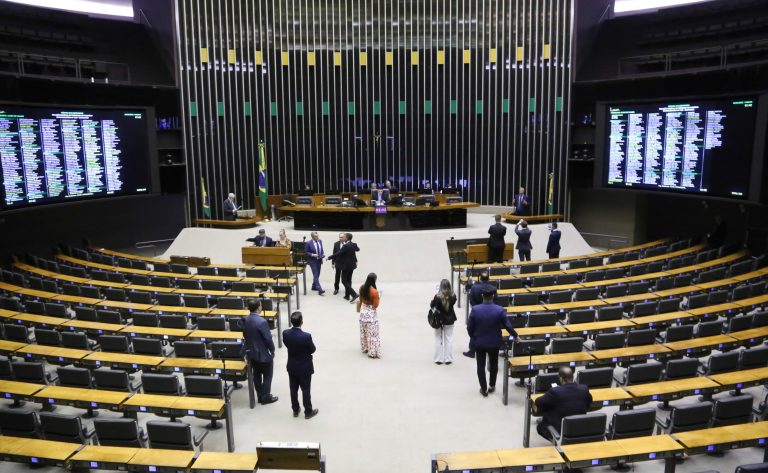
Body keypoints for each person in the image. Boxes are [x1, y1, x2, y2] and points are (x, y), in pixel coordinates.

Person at [467, 286, 517, 396]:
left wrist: (474, 337)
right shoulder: (499, 309)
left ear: (482, 296)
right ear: (493, 296)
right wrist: (515, 336)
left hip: (479, 342)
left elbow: (469, 328)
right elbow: (507, 325)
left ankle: (483, 388)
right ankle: (492, 385)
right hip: (494, 343)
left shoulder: (475, 309)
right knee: (494, 365)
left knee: (480, 366)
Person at [534, 367, 592, 440]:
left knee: (541, 426)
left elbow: (538, 402)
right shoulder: (584, 388)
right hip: (580, 429)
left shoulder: (555, 391)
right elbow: (589, 402)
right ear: (573, 376)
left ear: (561, 378)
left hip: (561, 431)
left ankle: (558, 443)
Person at [239, 299, 278, 405]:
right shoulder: (262, 322)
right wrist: (272, 350)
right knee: (267, 375)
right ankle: (265, 397)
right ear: (258, 308)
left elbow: (245, 335)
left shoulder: (244, 319)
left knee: (256, 374)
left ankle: (260, 395)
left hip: (251, 353)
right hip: (263, 354)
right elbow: (268, 339)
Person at [282, 311, 318, 419]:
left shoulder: (285, 333)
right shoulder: (306, 336)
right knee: (305, 390)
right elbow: (313, 350)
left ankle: (295, 409)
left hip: (292, 366)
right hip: (304, 367)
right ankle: (308, 411)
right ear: (302, 322)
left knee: (293, 389)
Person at [462, 271, 496, 359]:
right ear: (488, 279)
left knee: (473, 330)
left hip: (477, 312)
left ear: (480, 279)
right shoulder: (493, 288)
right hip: (491, 312)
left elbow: (471, 301)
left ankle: (472, 351)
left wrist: (477, 308)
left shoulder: (474, 288)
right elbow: (496, 302)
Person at [430, 279, 457, 365]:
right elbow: (452, 301)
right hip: (450, 320)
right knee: (449, 339)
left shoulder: (437, 297)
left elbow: (432, 306)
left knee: (438, 339)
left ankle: (439, 359)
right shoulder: (453, 296)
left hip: (439, 320)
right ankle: (448, 359)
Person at [328, 232, 359, 303]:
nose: (342, 237)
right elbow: (357, 250)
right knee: (348, 280)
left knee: (344, 281)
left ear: (347, 238)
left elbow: (338, 253)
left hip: (346, 266)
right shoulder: (353, 244)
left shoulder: (345, 246)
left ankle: (354, 294)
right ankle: (347, 295)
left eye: (344, 236)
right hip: (352, 265)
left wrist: (329, 257)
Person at [358, 273, 381, 358]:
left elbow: (360, 300)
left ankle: (365, 347)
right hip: (371, 316)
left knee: (363, 332)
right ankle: (372, 352)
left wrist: (359, 310)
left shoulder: (361, 287)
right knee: (373, 334)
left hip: (363, 313)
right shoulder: (374, 292)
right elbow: (375, 305)